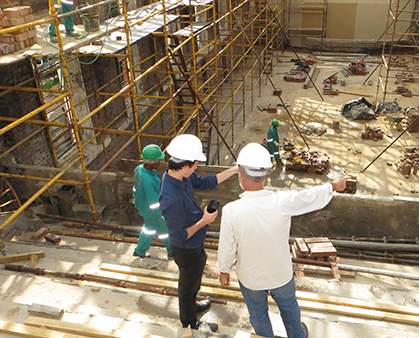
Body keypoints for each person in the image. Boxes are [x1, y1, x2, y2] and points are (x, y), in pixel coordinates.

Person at [217, 143, 348, 338]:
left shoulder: (231, 210)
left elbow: (227, 246)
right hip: (280, 273)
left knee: (258, 316)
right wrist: (333, 185)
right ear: (266, 174)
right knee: (290, 309)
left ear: (240, 175)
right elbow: (310, 196)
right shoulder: (282, 202)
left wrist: (224, 269)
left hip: (251, 277)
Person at [159, 134, 239, 332]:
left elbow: (205, 183)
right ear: (185, 165)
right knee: (187, 285)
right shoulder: (172, 199)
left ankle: (192, 306)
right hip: (186, 249)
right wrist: (203, 221)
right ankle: (190, 323)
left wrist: (234, 170)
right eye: (195, 164)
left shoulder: (179, 175)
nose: (197, 167)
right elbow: (176, 237)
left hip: (194, 246)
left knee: (192, 281)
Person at [132, 144, 171, 259]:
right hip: (154, 213)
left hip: (144, 208)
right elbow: (153, 202)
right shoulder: (148, 180)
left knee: (148, 229)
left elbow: (136, 188)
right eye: (158, 160)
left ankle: (139, 251)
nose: (160, 162)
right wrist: (161, 214)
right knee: (166, 232)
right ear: (152, 162)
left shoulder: (139, 169)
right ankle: (173, 251)